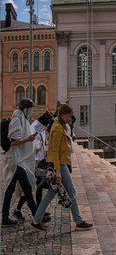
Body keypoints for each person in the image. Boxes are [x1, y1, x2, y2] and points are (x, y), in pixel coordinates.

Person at [29, 104, 89, 231]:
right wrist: (57, 171)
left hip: (61, 163)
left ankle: (36, 221)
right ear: (62, 115)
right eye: (69, 116)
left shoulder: (60, 126)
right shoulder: (57, 128)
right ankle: (78, 221)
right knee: (71, 191)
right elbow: (54, 150)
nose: (70, 118)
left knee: (51, 194)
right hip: (59, 165)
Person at [1, 98, 39, 226]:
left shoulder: (22, 119)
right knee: (27, 188)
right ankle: (36, 216)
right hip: (15, 160)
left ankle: (5, 218)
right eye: (30, 109)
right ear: (25, 109)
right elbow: (14, 142)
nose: (31, 111)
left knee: (10, 189)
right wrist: (28, 140)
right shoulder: (17, 120)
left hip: (18, 160)